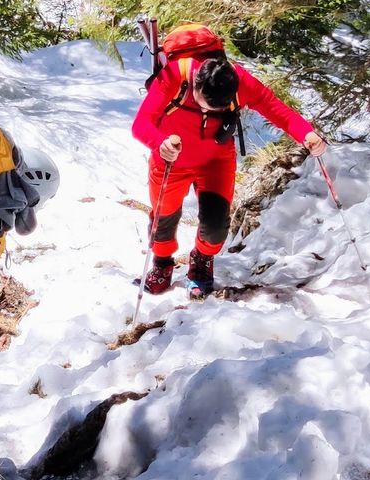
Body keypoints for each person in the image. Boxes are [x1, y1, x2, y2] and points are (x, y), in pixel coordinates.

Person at [132, 27, 324, 298]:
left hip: (216, 161)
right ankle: (162, 264)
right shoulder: (175, 75)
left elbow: (276, 109)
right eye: (205, 104)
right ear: (196, 84)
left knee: (216, 227)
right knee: (164, 221)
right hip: (170, 161)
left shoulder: (239, 81)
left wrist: (307, 134)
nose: (210, 112)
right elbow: (141, 124)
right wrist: (160, 142)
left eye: (218, 109)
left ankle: (202, 261)